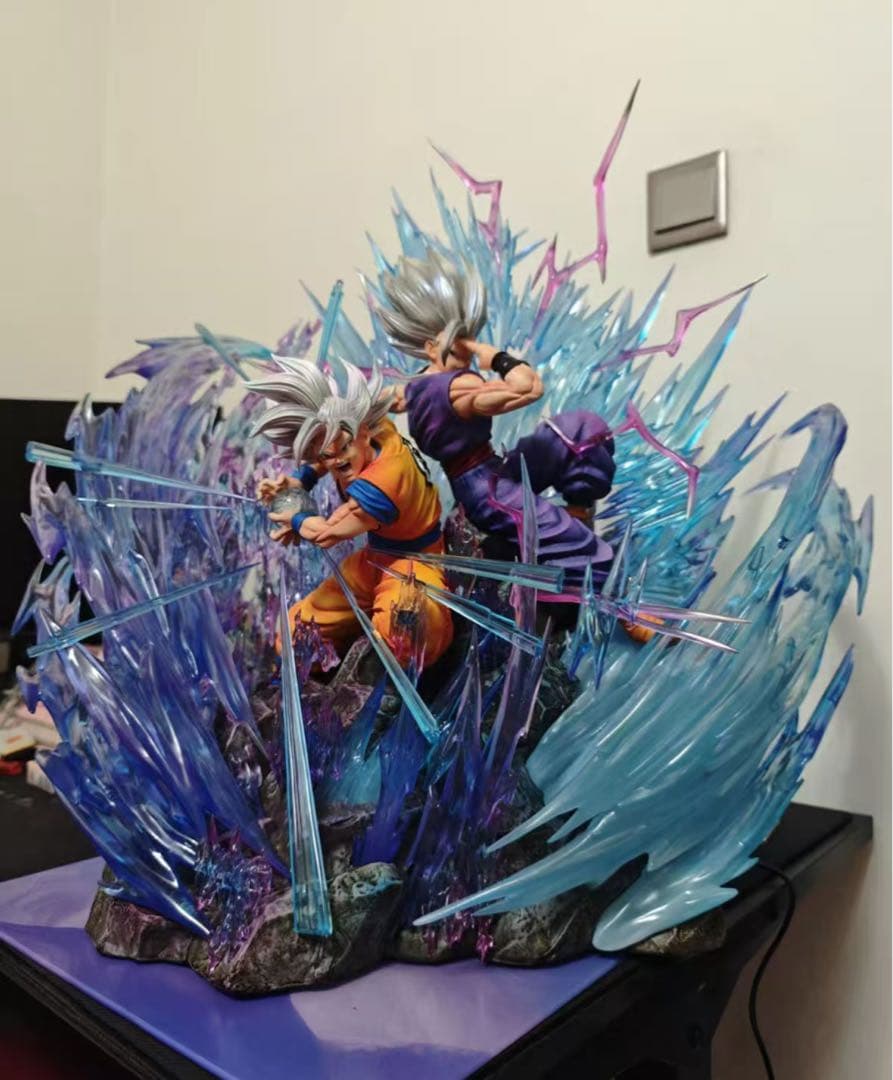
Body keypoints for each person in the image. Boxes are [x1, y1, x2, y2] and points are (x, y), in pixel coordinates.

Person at [375, 250, 616, 586]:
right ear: (432, 348)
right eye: (459, 346)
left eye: (469, 341)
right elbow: (530, 388)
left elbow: (385, 402)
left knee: (578, 431)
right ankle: (575, 592)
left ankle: (577, 510)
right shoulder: (458, 387)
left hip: (492, 471)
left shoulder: (415, 387)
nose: (468, 353)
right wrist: (498, 359)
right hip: (485, 492)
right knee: (584, 548)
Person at [249, 356, 453, 669]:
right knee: (295, 635)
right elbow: (329, 449)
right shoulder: (376, 430)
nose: (336, 461)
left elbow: (326, 532)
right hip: (373, 561)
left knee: (405, 634)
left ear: (362, 432)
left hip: (416, 562)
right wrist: (300, 480)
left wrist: (296, 518)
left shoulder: (383, 481)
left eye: (344, 449)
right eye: (325, 455)